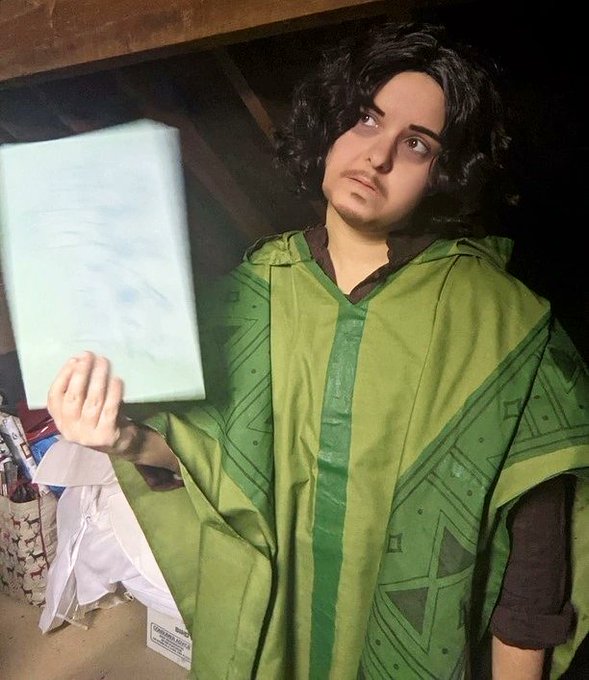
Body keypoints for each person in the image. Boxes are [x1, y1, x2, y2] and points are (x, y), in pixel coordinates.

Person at [46, 21, 589, 680]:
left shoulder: (500, 324)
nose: (378, 156)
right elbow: (209, 461)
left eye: (416, 143)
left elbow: (536, 553)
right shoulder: (256, 293)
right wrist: (123, 439)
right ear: (331, 125)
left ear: (443, 173)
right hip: (281, 646)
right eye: (366, 119)